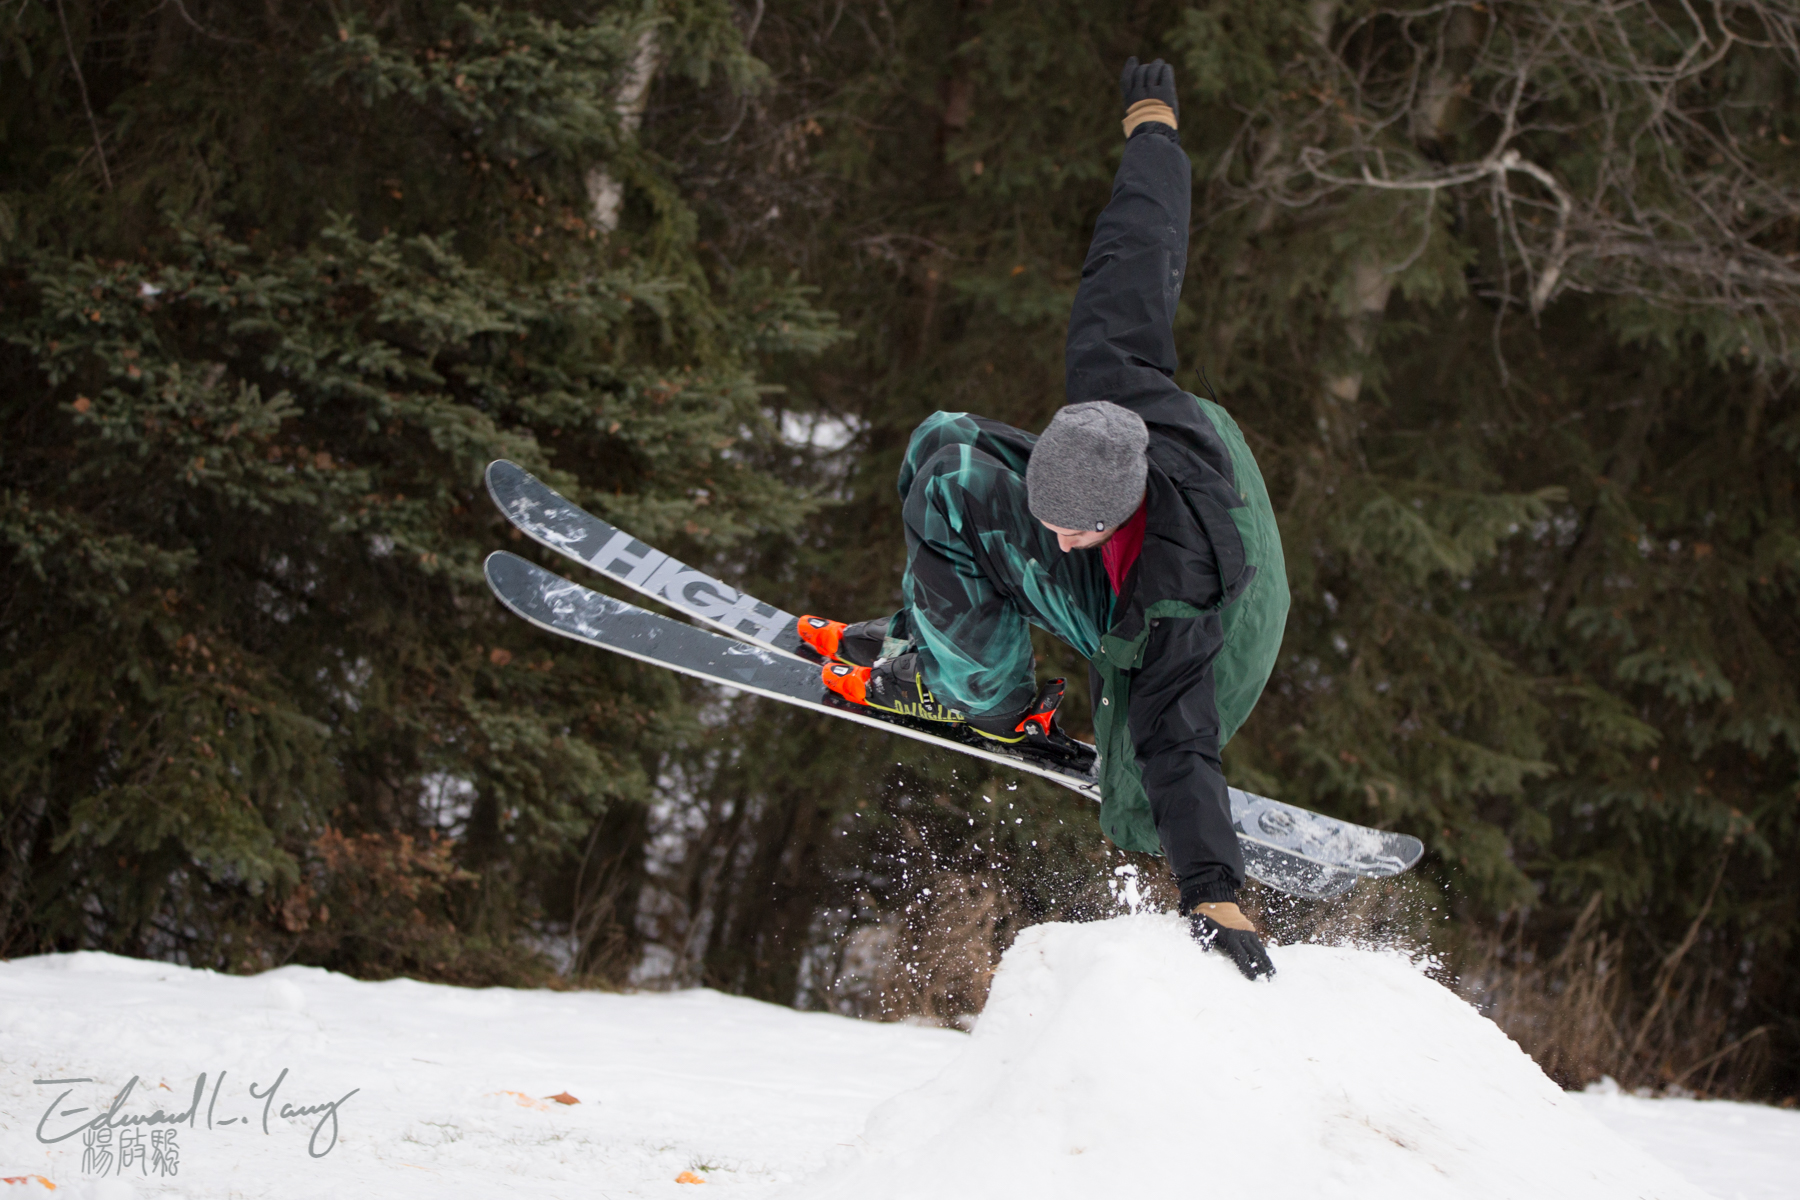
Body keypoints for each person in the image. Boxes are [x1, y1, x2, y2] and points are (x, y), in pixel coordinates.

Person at [797, 58, 1289, 981]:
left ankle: (985, 698)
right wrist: (1154, 129)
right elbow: (1138, 249)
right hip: (1190, 515)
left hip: (1223, 628)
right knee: (941, 444)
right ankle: (942, 638)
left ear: (1122, 510)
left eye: (1076, 534)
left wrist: (1214, 889)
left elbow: (1179, 740)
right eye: (1050, 521)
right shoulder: (1113, 374)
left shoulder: (1171, 598)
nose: (1058, 542)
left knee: (952, 495)